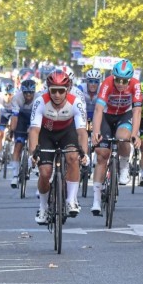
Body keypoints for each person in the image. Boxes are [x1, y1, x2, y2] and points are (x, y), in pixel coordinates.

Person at [27, 71, 89, 224]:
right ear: (48, 89)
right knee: (45, 172)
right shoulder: (40, 101)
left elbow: (82, 132)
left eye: (61, 91)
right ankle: (43, 207)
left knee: (73, 157)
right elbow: (34, 131)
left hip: (67, 133)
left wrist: (84, 154)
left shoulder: (76, 102)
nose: (57, 95)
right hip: (46, 134)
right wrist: (33, 154)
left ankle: (70, 200)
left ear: (67, 90)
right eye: (53, 90)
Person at [91, 59, 141, 215]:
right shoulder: (107, 83)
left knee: (122, 137)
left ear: (130, 80)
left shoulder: (136, 85)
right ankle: (96, 200)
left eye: (124, 81)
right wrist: (96, 131)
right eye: (117, 79)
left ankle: (124, 166)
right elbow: (98, 109)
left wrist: (134, 134)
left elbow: (137, 111)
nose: (120, 83)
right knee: (102, 155)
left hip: (124, 116)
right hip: (106, 116)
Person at [9, 79, 37, 188]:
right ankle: (15, 175)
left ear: (34, 92)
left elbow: (39, 119)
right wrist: (12, 130)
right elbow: (15, 117)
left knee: (33, 143)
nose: (28, 95)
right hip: (21, 119)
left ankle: (31, 163)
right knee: (18, 145)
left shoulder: (39, 99)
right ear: (22, 92)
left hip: (34, 119)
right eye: (26, 93)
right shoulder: (17, 98)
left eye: (31, 92)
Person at [0, 84, 15, 171]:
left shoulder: (16, 98)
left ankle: (11, 145)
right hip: (3, 114)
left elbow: (17, 116)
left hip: (13, 114)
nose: (8, 96)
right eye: (6, 94)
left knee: (12, 130)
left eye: (10, 94)